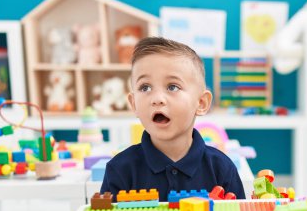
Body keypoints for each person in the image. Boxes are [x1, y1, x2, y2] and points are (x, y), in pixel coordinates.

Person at [100, 37, 245, 201]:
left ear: (201, 103)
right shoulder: (120, 169)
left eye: (172, 87)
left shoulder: (221, 168)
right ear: (134, 104)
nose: (157, 99)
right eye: (145, 87)